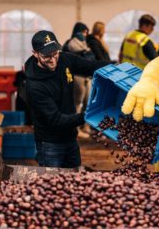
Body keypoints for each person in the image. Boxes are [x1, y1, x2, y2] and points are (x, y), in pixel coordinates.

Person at [24, 30, 109, 168]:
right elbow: (56, 120)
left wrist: (116, 66)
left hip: (71, 139)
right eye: (47, 56)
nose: (53, 60)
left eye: (55, 54)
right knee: (52, 185)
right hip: (50, 144)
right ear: (35, 53)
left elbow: (90, 66)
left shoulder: (64, 59)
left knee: (73, 181)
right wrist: (88, 116)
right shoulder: (35, 86)